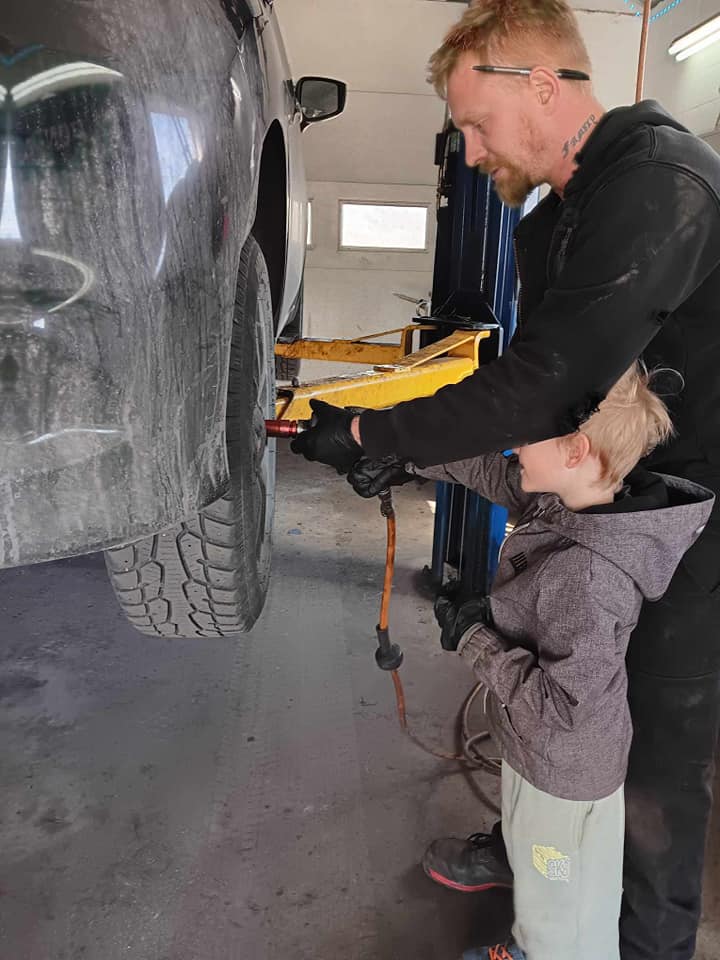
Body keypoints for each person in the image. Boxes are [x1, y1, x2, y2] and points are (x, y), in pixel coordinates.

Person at [290, 2, 720, 957]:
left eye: (477, 122)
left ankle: (649, 943)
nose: (471, 149)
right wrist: (397, 448)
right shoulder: (566, 207)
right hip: (607, 485)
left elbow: (545, 385)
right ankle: (539, 843)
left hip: (691, 514)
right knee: (560, 668)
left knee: (654, 741)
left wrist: (372, 428)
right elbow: (535, 380)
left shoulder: (662, 184)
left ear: (543, 84)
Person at [353, 365, 713, 960]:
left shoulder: (588, 575)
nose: (515, 444)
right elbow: (492, 471)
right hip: (537, 754)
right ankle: (529, 945)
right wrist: (404, 453)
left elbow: (563, 708)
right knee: (544, 884)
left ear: (575, 450)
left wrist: (474, 638)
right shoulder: (574, 500)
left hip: (562, 770)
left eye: (527, 434)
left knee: (565, 920)